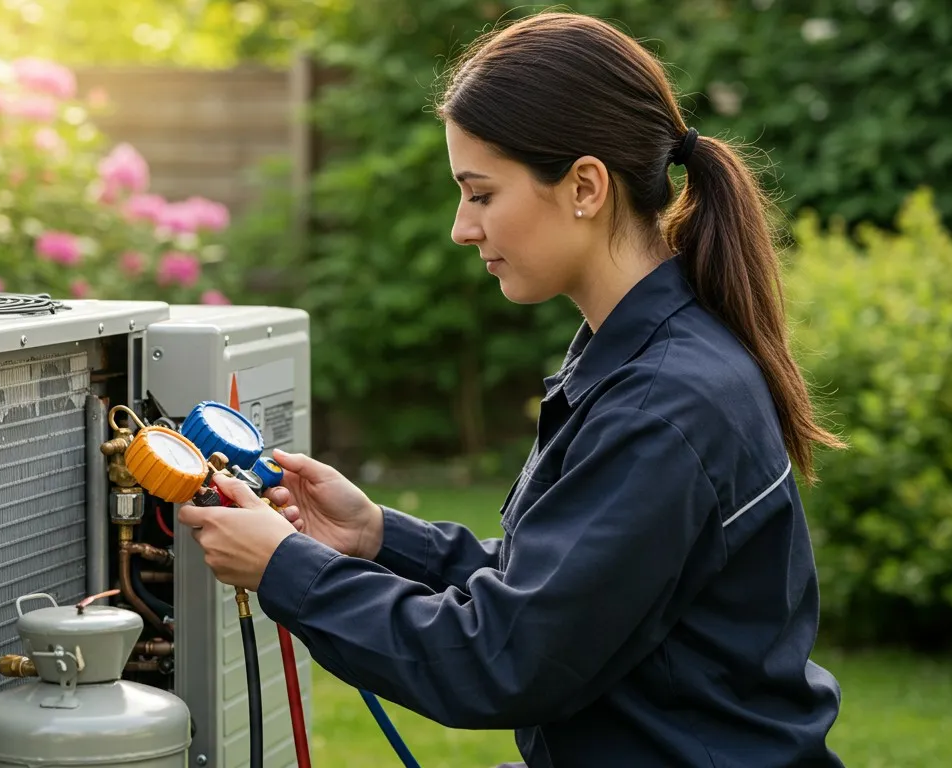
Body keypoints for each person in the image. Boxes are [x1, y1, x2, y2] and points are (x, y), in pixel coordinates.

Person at [177, 11, 847, 767]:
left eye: (482, 193)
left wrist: (286, 569)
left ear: (585, 187)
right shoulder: (641, 359)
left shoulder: (664, 403)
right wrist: (380, 538)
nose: (462, 228)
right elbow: (567, 589)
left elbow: (502, 659)